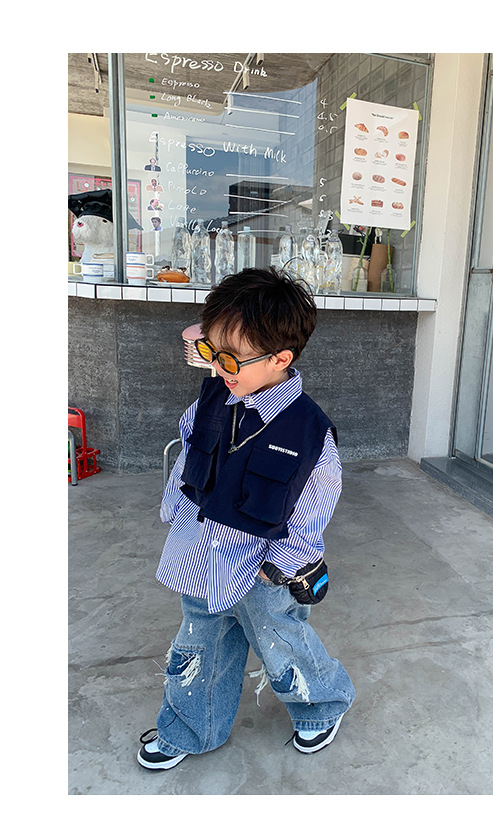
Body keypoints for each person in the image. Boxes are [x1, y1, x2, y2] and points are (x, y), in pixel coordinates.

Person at [137, 267, 355, 771]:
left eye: (232, 357)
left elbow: (313, 507)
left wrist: (281, 566)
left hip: (261, 569)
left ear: (281, 358)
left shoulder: (308, 433)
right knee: (199, 646)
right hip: (200, 555)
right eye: (211, 352)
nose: (219, 366)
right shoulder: (213, 397)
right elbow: (190, 456)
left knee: (282, 643)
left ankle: (323, 703)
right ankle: (192, 727)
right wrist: (176, 515)